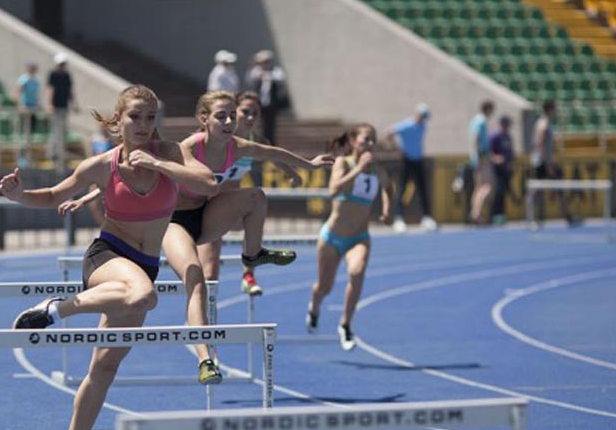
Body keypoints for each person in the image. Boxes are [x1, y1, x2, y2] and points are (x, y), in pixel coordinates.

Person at [0, 85, 217, 430]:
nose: (144, 125)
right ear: (118, 120)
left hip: (145, 264)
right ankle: (56, 309)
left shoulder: (168, 152)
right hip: (107, 258)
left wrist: (159, 164)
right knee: (143, 295)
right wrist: (17, 195)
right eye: (136, 116)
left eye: (151, 117)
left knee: (104, 370)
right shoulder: (101, 166)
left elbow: (206, 183)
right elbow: (53, 195)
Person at [166, 90, 333, 369]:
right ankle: (206, 359)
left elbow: (271, 152)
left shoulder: (239, 146)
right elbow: (153, 176)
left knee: (256, 196)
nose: (230, 121)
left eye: (232, 115)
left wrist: (309, 164)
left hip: (208, 214)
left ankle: (252, 257)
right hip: (175, 222)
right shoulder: (190, 147)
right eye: (222, 116)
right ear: (204, 119)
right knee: (198, 279)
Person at [196, 90, 300, 297]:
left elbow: (274, 155)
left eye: (256, 113)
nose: (251, 117)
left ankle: (248, 274)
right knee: (209, 275)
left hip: (232, 208)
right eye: (245, 112)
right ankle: (198, 323)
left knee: (253, 216)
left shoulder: (254, 141)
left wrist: (293, 174)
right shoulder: (216, 137)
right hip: (208, 209)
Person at [306, 123, 392, 351]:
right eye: (365, 139)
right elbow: (333, 190)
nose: (370, 144)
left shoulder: (378, 171)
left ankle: (345, 324)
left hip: (359, 237)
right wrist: (357, 170)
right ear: (354, 141)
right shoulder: (344, 163)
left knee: (357, 271)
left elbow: (387, 188)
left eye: (373, 140)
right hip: (332, 237)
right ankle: (314, 308)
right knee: (324, 286)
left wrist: (386, 209)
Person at [385, 103, 437, 233]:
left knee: (423, 189)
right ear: (417, 114)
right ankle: (398, 219)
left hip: (418, 160)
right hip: (407, 160)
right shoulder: (407, 125)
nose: (424, 119)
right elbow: (388, 133)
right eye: (422, 116)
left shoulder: (424, 125)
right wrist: (398, 149)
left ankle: (426, 218)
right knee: (402, 190)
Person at [530, 99, 578, 227]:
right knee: (537, 190)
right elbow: (540, 144)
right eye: (555, 108)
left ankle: (566, 216)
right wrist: (547, 164)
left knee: (556, 188)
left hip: (544, 161)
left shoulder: (546, 123)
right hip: (542, 162)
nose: (556, 111)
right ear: (550, 109)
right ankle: (534, 217)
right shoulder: (543, 124)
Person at [245, 49, 287, 145]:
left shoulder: (275, 71)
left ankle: (270, 142)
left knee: (270, 125)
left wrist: (269, 76)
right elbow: (249, 79)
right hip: (258, 103)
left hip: (271, 104)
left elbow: (280, 79)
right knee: (256, 124)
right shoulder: (256, 71)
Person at [47, 52, 77, 172]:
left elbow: (70, 91)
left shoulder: (67, 75)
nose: (62, 66)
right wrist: (49, 104)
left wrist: (74, 104)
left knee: (63, 130)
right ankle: (53, 153)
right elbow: (50, 90)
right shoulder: (53, 75)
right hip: (56, 107)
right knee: (55, 130)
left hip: (64, 107)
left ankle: (60, 152)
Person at [468, 100, 495, 225]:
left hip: (479, 156)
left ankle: (475, 213)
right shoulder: (481, 121)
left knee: (478, 187)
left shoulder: (476, 120)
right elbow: (476, 138)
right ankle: (477, 213)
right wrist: (478, 157)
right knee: (487, 186)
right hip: (482, 156)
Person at [489, 115, 515, 225]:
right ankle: (494, 215)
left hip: (506, 169)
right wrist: (496, 159)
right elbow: (489, 152)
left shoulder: (508, 137)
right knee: (498, 192)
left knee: (504, 193)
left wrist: (510, 163)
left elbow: (510, 153)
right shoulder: (495, 136)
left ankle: (501, 215)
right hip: (497, 169)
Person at [15, 61, 42, 167]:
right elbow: (18, 93)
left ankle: (29, 158)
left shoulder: (36, 80)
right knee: (24, 134)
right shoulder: (23, 80)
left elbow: (36, 94)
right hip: (25, 108)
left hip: (33, 108)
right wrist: (20, 105)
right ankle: (21, 158)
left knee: (30, 135)